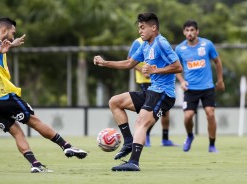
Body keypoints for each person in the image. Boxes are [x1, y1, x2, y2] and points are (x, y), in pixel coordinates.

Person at [0, 17, 87, 173]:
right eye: (12, 33)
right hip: (2, 96)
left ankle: (35, 164)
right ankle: (66, 146)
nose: (13, 36)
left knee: (17, 131)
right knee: (33, 121)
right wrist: (0, 50)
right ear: (3, 30)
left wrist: (9, 46)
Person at [93, 12, 183, 171]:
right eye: (139, 28)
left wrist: (155, 71)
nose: (140, 31)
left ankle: (133, 162)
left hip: (164, 94)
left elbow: (178, 67)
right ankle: (128, 141)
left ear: (153, 28)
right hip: (152, 91)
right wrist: (104, 63)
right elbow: (129, 63)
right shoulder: (145, 45)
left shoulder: (161, 43)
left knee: (141, 122)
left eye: (143, 27)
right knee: (115, 102)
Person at [175, 20, 225, 153]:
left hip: (207, 87)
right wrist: (181, 80)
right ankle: (190, 136)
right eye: (187, 30)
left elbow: (217, 62)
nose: (190, 33)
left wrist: (220, 81)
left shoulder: (207, 44)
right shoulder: (180, 49)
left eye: (192, 30)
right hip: (190, 89)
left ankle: (212, 145)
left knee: (210, 114)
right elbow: (175, 67)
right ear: (184, 32)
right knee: (187, 117)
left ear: (197, 31)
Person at [128, 37, 175, 147]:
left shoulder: (160, 42)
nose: (141, 30)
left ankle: (165, 138)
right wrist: (143, 71)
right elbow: (130, 60)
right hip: (146, 81)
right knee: (148, 110)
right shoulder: (138, 42)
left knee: (165, 111)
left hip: (160, 82)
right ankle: (146, 135)